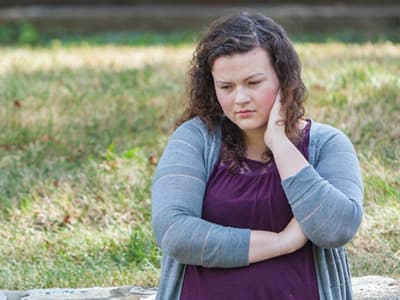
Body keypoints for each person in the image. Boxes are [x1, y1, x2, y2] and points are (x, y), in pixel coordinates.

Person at [151, 11, 363, 300]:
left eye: (253, 83)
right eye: (226, 87)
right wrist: (281, 242)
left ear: (283, 79)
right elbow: (175, 233)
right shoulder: (196, 139)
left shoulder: (326, 145)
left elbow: (336, 228)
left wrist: (279, 141)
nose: (240, 99)